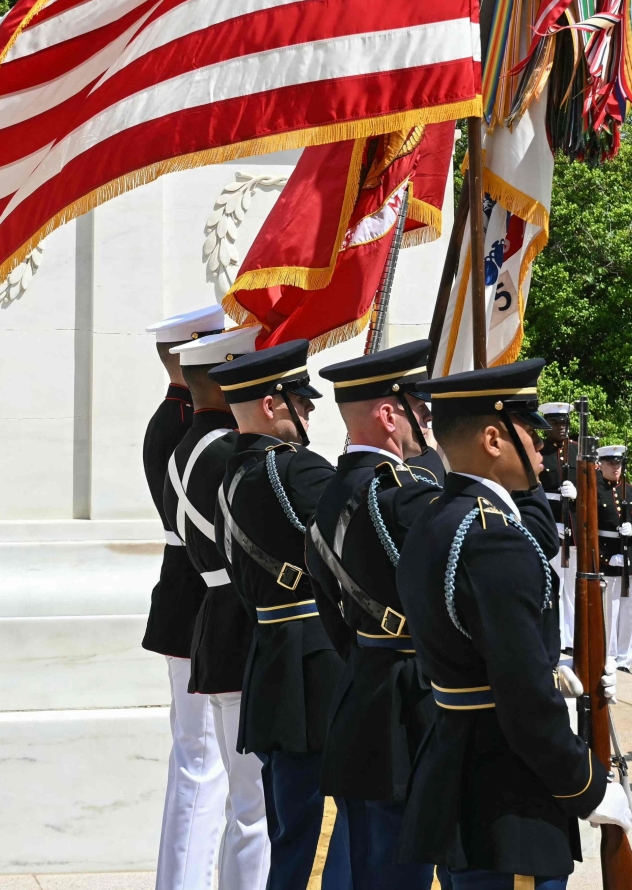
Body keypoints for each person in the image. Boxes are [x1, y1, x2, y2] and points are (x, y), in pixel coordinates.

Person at [395, 359, 632, 890]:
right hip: (508, 798)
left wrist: (557, 666)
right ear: (493, 439)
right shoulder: (496, 538)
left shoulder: (436, 517)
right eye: (531, 430)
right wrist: (588, 785)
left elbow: (481, 650)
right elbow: (524, 703)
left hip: (459, 772)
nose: (544, 449)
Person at [209, 340, 349, 889]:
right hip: (317, 666)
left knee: (289, 830)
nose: (311, 411)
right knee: (331, 825)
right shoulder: (297, 471)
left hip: (271, 659)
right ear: (272, 405)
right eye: (301, 401)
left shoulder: (231, 473)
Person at [306, 340, 441, 890]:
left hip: (362, 689)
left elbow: (330, 611)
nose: (426, 425)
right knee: (402, 870)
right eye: (420, 411)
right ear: (389, 415)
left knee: (369, 864)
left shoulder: (329, 490)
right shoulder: (407, 496)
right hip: (412, 704)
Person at [162, 325, 270, 890]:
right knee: (246, 801)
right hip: (238, 624)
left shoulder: (188, 441)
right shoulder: (226, 451)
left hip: (212, 621)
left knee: (227, 788)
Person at [142, 305, 228, 890]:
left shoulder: (169, 418)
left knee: (195, 764)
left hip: (184, 594)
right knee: (203, 767)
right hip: (199, 597)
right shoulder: (186, 426)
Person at [597, 445, 632, 671]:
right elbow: (590, 529)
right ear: (601, 465)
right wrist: (605, 557)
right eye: (611, 463)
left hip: (630, 557)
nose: (616, 468)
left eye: (619, 464)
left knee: (628, 612)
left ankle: (625, 658)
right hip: (609, 556)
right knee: (610, 612)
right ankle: (610, 655)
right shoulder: (595, 490)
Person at [539, 402, 579, 649]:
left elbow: (594, 488)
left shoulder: (577, 450)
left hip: (573, 528)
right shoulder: (539, 450)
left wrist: (578, 494)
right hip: (548, 524)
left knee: (572, 588)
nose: (562, 428)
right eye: (556, 423)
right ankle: (554, 635)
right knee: (551, 583)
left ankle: (571, 639)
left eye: (564, 423)